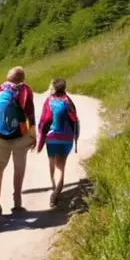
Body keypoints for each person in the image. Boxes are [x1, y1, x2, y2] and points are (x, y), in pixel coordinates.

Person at [0, 66, 36, 220]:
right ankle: (17, 202)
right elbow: (31, 115)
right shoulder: (25, 91)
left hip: (0, 137)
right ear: (22, 78)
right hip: (20, 137)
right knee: (19, 169)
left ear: (8, 77)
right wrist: (33, 136)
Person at [36, 78, 79, 208]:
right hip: (66, 137)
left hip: (52, 137)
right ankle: (57, 193)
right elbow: (75, 120)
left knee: (51, 163)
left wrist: (41, 142)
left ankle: (54, 189)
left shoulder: (49, 101)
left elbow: (44, 122)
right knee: (61, 166)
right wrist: (75, 139)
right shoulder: (68, 101)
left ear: (52, 88)